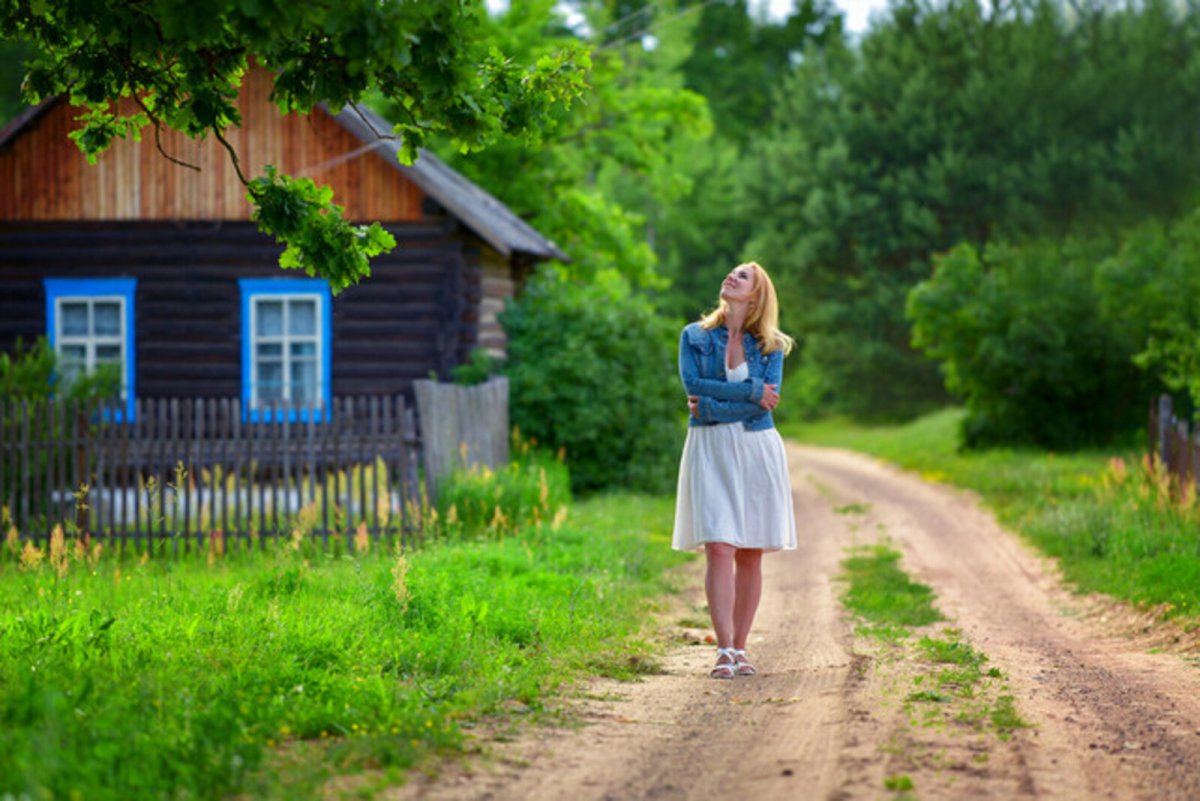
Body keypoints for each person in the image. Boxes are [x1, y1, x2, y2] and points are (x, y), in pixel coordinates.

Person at [672, 261, 796, 679]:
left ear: (756, 295)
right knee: (718, 545)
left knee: (749, 551)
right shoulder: (694, 336)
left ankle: (741, 649)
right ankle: (723, 648)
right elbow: (694, 386)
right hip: (710, 446)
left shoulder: (772, 346)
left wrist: (709, 405)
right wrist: (746, 393)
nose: (731, 276)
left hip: (756, 446)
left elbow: (767, 401)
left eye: (742, 276)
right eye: (730, 272)